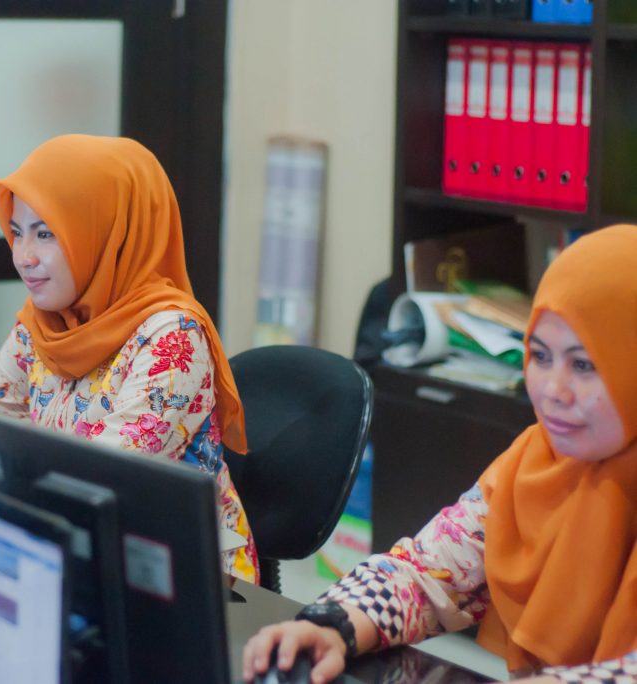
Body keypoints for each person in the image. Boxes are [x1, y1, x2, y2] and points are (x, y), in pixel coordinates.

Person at [243, 225, 637, 683]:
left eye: (584, 364)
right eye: (540, 356)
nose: (553, 391)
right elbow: (428, 573)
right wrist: (332, 624)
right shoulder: (537, 462)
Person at [0, 134, 259, 582]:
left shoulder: (173, 337)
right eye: (16, 232)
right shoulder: (44, 323)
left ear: (108, 235)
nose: (23, 257)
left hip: (181, 574)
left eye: (46, 234)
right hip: (70, 548)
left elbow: (102, 479)